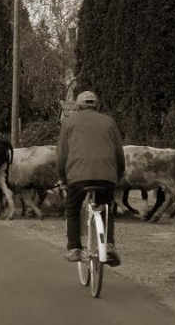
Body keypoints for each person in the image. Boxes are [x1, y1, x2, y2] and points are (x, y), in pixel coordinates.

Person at [56, 91, 124, 267]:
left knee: (72, 210)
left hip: (77, 177)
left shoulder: (69, 122)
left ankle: (74, 248)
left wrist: (62, 177)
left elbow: (62, 155)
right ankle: (109, 245)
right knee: (106, 209)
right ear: (96, 105)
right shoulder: (109, 122)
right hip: (106, 176)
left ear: (78, 106)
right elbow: (119, 154)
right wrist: (118, 175)